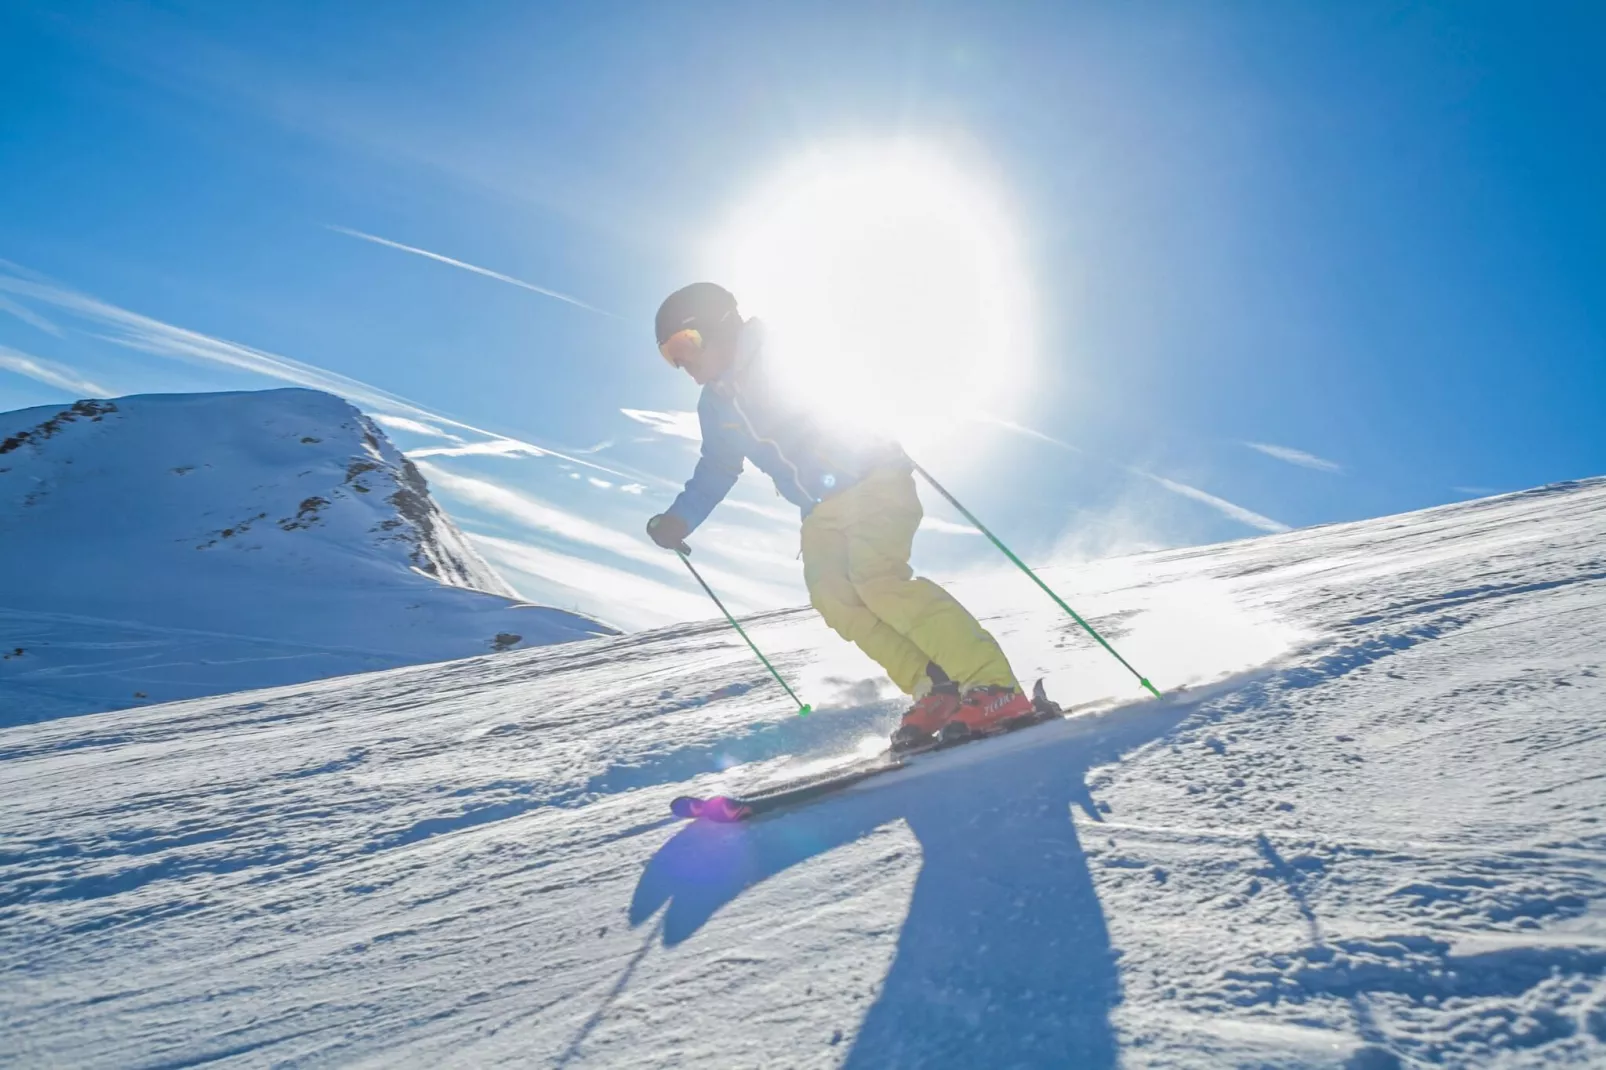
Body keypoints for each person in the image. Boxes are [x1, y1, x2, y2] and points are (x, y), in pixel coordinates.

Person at [646, 281, 1034, 747]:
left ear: (717, 325)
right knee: (834, 597)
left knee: (878, 580)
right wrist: (679, 518)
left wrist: (874, 432)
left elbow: (853, 380)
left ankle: (994, 686)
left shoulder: (783, 350)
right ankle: (937, 687)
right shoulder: (715, 403)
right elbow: (718, 467)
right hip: (819, 509)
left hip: (873, 480)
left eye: (684, 345)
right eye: (671, 356)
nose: (683, 363)